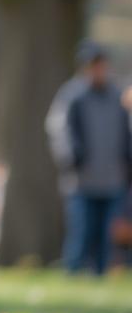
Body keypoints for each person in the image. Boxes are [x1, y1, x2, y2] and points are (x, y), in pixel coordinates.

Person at [46, 40, 131, 275]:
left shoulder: (117, 96)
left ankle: (100, 274)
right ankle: (73, 271)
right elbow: (59, 130)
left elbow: (126, 134)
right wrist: (72, 158)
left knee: (106, 234)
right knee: (81, 231)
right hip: (81, 180)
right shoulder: (72, 96)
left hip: (112, 178)